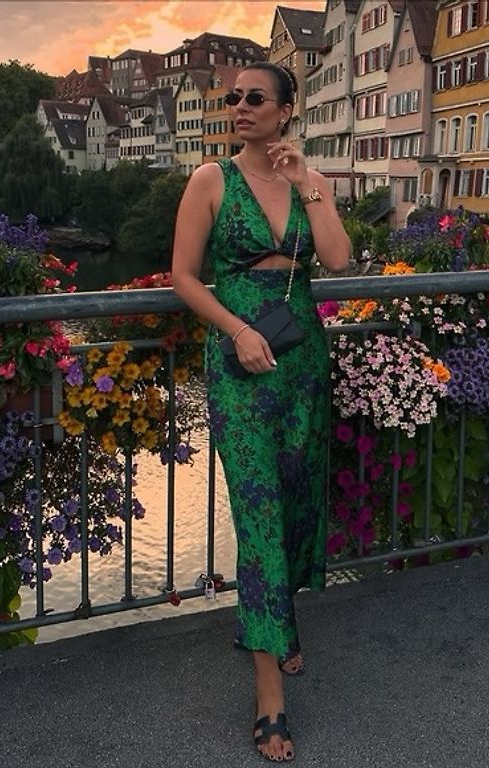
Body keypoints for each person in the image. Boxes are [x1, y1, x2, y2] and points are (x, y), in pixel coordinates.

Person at [171, 62, 351, 762]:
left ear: (285, 110)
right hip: (241, 366)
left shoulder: (309, 181)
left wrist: (309, 184)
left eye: (254, 97)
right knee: (259, 515)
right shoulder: (211, 180)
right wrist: (237, 330)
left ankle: (281, 622)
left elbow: (336, 260)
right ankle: (268, 690)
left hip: (302, 360)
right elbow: (184, 276)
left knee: (299, 499)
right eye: (232, 98)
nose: (239, 107)